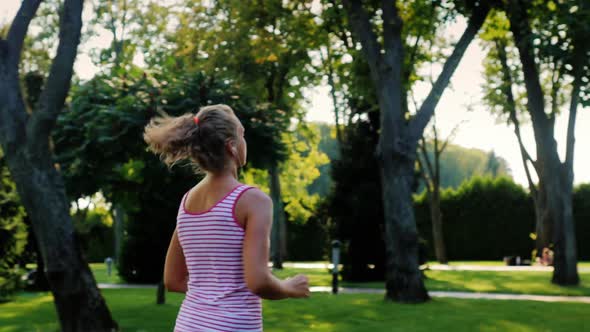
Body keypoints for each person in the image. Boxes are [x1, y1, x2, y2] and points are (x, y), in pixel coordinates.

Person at [144, 104, 309, 332]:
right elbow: (258, 281)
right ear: (232, 147)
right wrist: (289, 287)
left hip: (187, 325)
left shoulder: (187, 202)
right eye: (242, 134)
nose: (245, 141)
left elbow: (173, 280)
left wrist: (209, 295)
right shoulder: (253, 200)